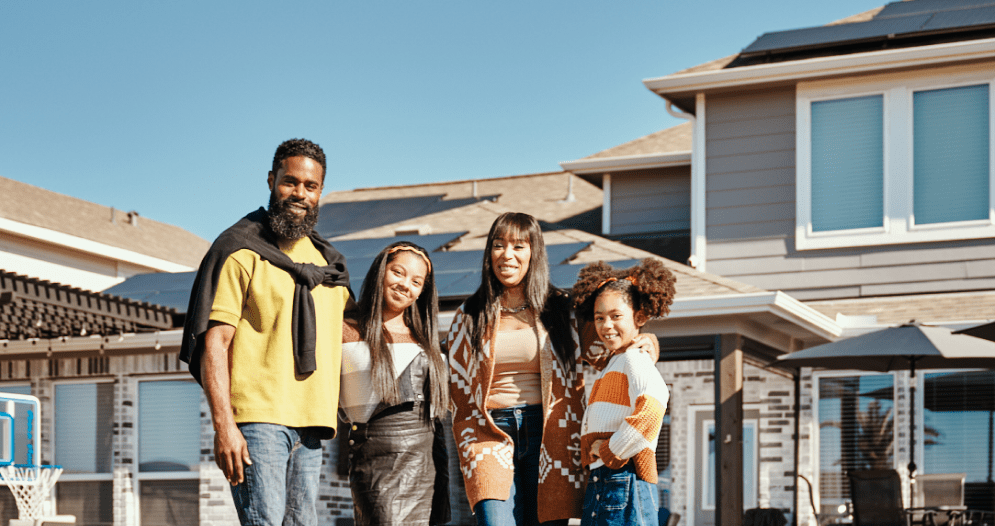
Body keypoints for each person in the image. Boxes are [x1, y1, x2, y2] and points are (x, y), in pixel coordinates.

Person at [179, 138, 351, 526]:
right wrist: (225, 426)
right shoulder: (241, 251)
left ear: (321, 192)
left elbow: (350, 332)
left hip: (312, 426)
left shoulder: (329, 265)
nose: (300, 194)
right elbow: (215, 342)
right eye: (290, 182)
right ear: (272, 180)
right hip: (258, 420)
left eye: (311, 186)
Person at [446, 212, 658, 526]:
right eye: (498, 245)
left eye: (519, 246)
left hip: (552, 433)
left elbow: (610, 344)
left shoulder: (561, 308)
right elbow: (456, 386)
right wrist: (468, 439)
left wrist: (648, 340)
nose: (507, 255)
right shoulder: (470, 314)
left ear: (534, 253)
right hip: (489, 433)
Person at [340, 242, 452, 525]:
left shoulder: (427, 343)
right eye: (398, 273)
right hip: (374, 461)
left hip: (427, 464)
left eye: (416, 282)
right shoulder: (346, 329)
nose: (405, 285)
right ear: (381, 271)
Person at [570, 258, 675, 526]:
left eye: (616, 316)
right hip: (607, 479)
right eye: (599, 318)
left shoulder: (634, 359)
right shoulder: (613, 362)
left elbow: (653, 407)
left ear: (639, 317)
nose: (606, 325)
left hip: (624, 478)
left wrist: (610, 450)